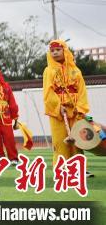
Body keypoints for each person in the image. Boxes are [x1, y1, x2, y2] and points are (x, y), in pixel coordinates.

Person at [43, 40, 91, 174]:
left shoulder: (76, 71)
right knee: (60, 141)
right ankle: (61, 169)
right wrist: (58, 106)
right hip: (58, 112)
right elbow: (48, 92)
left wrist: (80, 108)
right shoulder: (48, 71)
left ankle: (79, 169)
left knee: (77, 141)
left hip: (75, 110)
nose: (55, 53)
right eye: (52, 51)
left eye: (58, 50)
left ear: (65, 51)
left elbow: (82, 91)